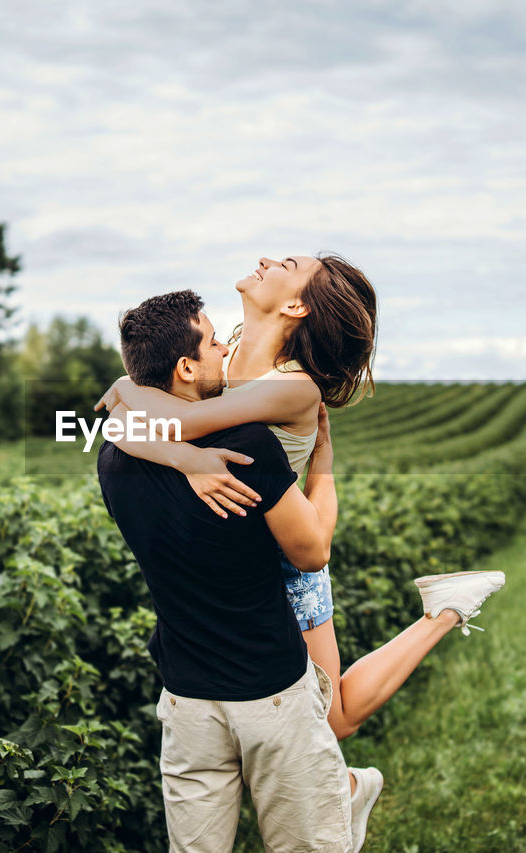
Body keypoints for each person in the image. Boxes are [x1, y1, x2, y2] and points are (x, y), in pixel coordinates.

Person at [95, 255, 506, 840]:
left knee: (329, 717)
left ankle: (444, 611)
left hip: (289, 558)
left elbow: (179, 423)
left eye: (285, 264)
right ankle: (341, 788)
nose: (265, 260)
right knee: (320, 720)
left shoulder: (292, 387)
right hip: (230, 550)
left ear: (295, 306)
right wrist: (161, 435)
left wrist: (126, 393)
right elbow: (146, 427)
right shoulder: (226, 353)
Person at [96, 290, 355, 851]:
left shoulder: (115, 457)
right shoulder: (247, 446)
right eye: (213, 342)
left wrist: (173, 446)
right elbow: (312, 553)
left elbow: (116, 426)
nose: (222, 350)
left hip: (186, 696)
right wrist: (324, 465)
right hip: (271, 692)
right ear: (187, 367)